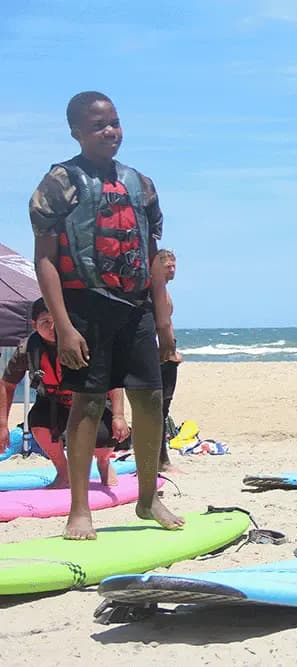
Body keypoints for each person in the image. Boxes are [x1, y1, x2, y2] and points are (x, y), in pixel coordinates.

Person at [30, 91, 183, 539]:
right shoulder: (58, 184)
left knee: (151, 398)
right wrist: (62, 325)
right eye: (98, 125)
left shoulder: (141, 184)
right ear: (76, 131)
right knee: (88, 402)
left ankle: (148, 496)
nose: (110, 131)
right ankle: (80, 509)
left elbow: (151, 255)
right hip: (85, 307)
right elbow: (45, 259)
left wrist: (162, 323)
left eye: (114, 122)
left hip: (134, 306)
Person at [0, 298, 131, 487]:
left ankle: (103, 462)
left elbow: (112, 380)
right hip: (55, 403)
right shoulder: (27, 349)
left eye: (56, 321)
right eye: (46, 322)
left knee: (104, 438)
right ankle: (63, 472)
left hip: (89, 402)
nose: (52, 327)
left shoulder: (84, 342)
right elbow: (7, 385)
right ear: (34, 325)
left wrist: (119, 415)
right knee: (36, 421)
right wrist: (2, 424)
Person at [153, 248, 183, 473]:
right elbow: (161, 325)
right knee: (158, 409)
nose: (172, 270)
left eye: (174, 266)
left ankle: (161, 459)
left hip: (167, 354)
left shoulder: (163, 290)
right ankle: (160, 460)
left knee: (163, 409)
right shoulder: (156, 290)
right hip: (160, 354)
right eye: (168, 266)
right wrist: (168, 350)